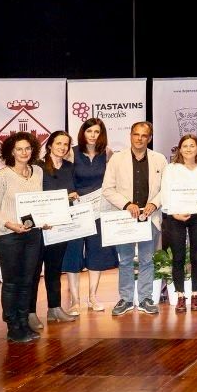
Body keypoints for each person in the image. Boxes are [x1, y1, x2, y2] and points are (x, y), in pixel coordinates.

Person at [0, 131, 46, 342]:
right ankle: (12, 327)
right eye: (19, 149)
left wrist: (44, 220)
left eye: (28, 148)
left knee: (28, 280)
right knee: (12, 283)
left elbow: (40, 204)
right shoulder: (2, 176)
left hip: (32, 236)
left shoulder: (37, 171)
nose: (24, 152)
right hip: (9, 237)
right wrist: (10, 224)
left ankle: (23, 322)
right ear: (11, 151)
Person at [101, 121, 166, 316]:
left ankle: (146, 298)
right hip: (124, 218)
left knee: (147, 260)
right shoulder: (117, 159)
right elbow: (107, 189)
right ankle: (127, 299)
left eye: (144, 135)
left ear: (150, 138)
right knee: (125, 260)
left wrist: (154, 203)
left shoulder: (159, 159)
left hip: (149, 217)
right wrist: (127, 204)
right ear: (130, 135)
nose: (139, 138)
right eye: (136, 134)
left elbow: (166, 188)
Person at [62, 117, 116, 313]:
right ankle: (75, 300)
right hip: (76, 210)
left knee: (97, 253)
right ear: (82, 133)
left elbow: (111, 182)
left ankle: (93, 297)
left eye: (97, 132)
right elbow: (63, 178)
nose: (93, 135)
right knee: (73, 254)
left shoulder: (108, 153)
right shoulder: (71, 153)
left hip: (99, 211)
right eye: (89, 131)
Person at [161, 134, 197, 313]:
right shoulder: (171, 168)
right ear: (179, 149)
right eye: (185, 146)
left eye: (192, 145)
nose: (189, 149)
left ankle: (195, 294)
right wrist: (173, 213)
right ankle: (181, 296)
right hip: (176, 218)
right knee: (178, 258)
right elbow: (165, 193)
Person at [34, 131, 78, 324]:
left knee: (54, 270)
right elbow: (35, 196)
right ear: (50, 145)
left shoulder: (69, 167)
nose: (62, 147)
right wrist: (63, 198)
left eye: (66, 144)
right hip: (40, 228)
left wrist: (75, 195)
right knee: (34, 271)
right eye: (58, 143)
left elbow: (73, 190)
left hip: (60, 227)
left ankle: (55, 309)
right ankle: (30, 313)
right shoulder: (37, 167)